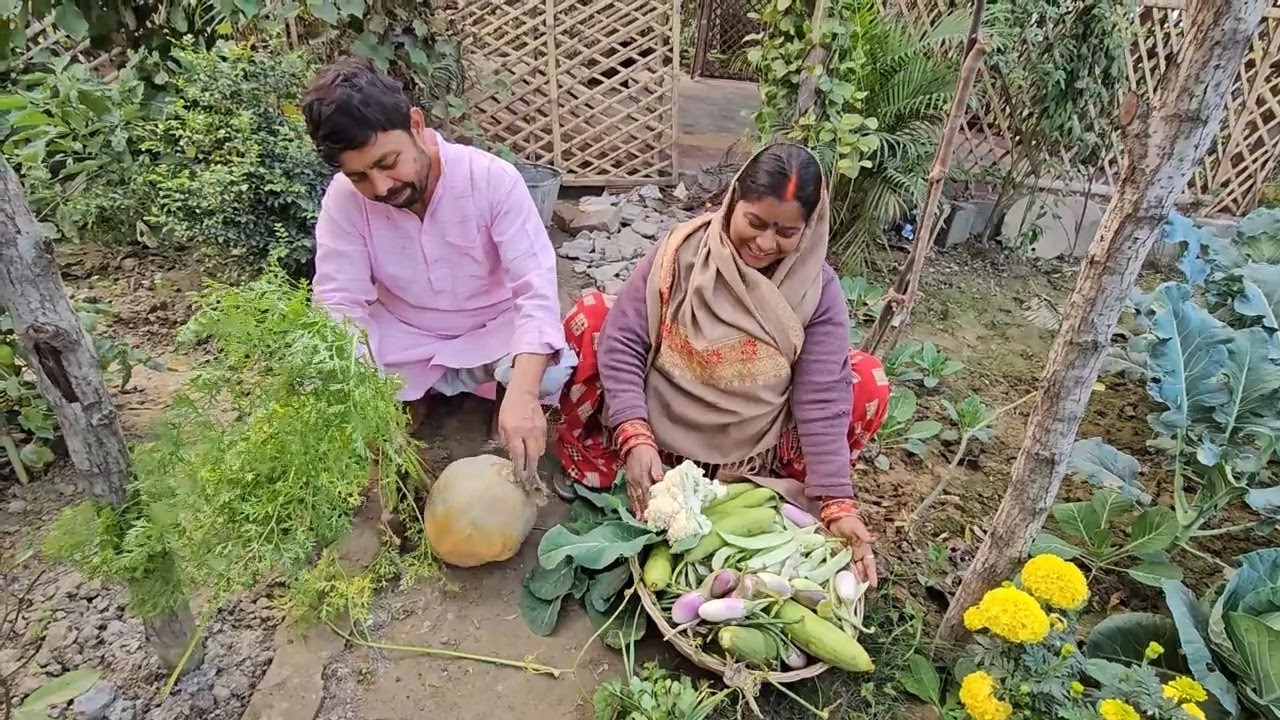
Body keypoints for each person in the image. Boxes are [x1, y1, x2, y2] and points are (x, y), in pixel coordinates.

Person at [553, 143, 889, 586]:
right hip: (661, 423)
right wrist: (635, 435)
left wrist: (836, 500)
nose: (766, 243)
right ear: (733, 201)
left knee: (864, 379)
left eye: (786, 232)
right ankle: (615, 464)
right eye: (754, 222)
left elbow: (822, 394)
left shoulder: (817, 290)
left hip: (749, 449)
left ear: (808, 229)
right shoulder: (680, 253)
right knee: (594, 316)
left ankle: (758, 492)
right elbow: (625, 341)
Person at [302, 57, 574, 478]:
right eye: (359, 177)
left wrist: (522, 393)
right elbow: (339, 300)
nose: (381, 188)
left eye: (388, 162)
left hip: (490, 330)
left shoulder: (492, 180)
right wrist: (357, 394)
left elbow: (535, 291)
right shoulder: (344, 200)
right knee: (326, 366)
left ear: (415, 124)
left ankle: (499, 405)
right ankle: (411, 400)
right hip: (404, 333)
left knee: (547, 368)